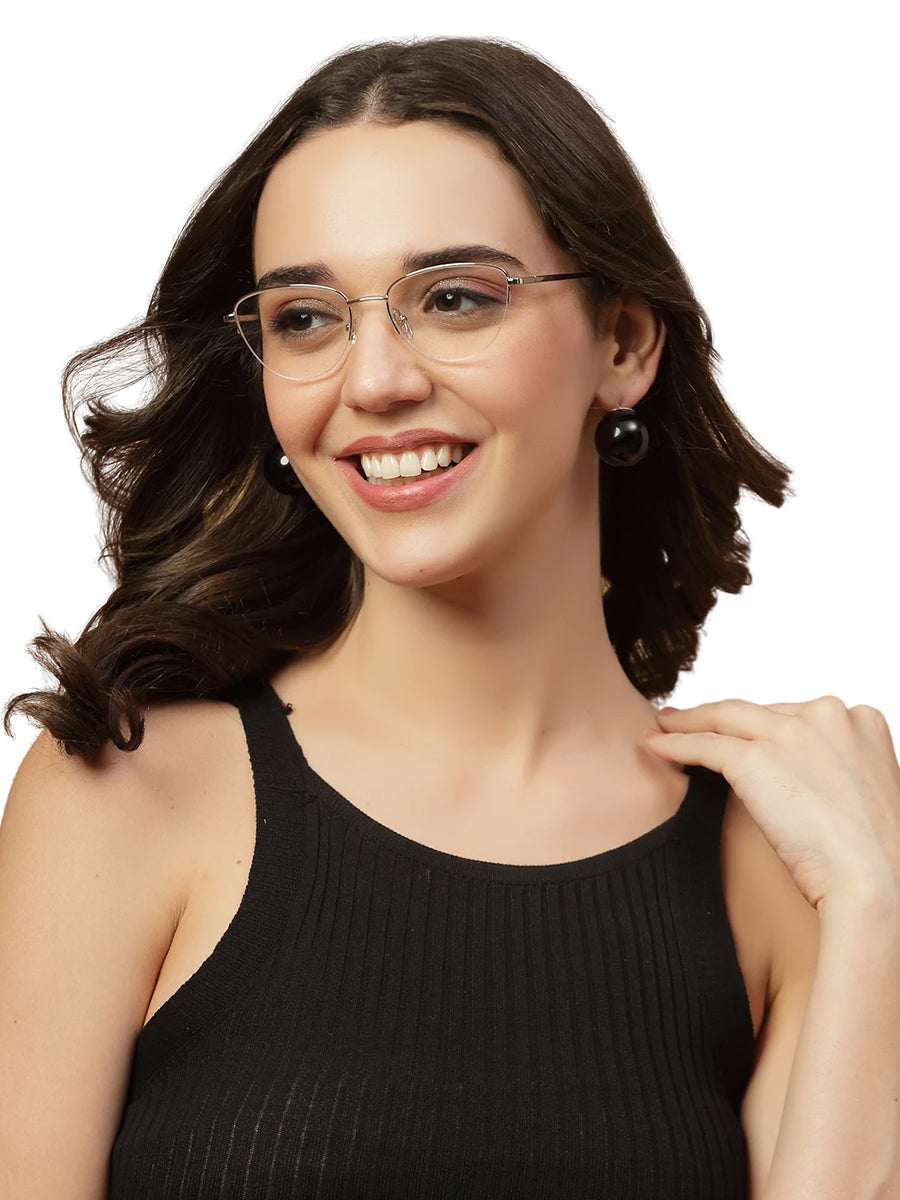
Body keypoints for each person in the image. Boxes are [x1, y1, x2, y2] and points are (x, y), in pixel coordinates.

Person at [1, 36, 898, 1200]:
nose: (375, 380)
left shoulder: (783, 862)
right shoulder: (123, 794)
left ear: (623, 344)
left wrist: (877, 908)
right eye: (307, 318)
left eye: (457, 299)